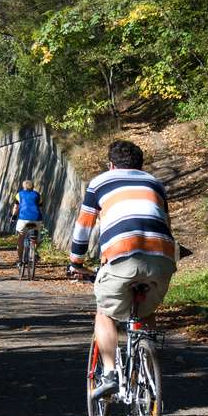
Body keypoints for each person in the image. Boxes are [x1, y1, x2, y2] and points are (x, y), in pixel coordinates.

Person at [69, 140, 176, 399]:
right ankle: (146, 375)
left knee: (105, 313)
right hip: (162, 256)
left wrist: (76, 262)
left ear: (111, 164)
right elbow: (164, 222)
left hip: (122, 256)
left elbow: (84, 227)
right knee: (146, 311)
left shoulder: (100, 182)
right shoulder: (155, 184)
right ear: (140, 165)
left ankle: (109, 374)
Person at [10, 179, 43, 265]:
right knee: (38, 238)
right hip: (36, 219)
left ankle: (20, 260)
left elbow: (16, 207)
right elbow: (40, 206)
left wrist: (13, 217)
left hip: (23, 220)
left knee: (20, 239)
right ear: (33, 186)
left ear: (23, 186)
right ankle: (34, 252)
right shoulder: (38, 195)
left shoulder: (19, 194)